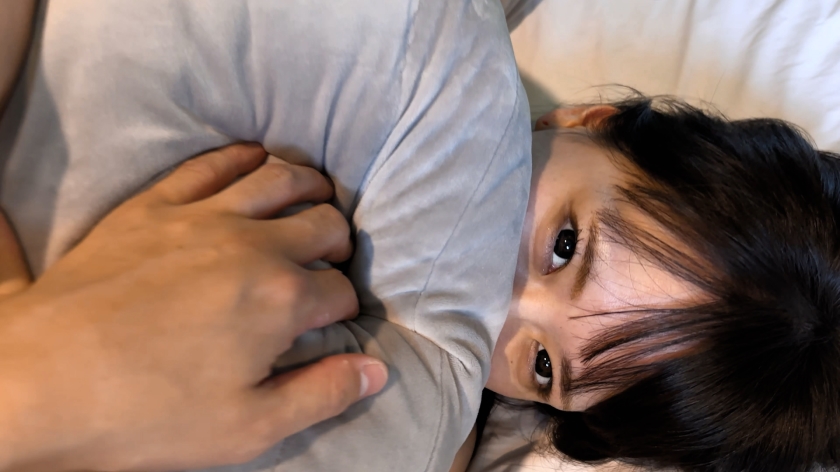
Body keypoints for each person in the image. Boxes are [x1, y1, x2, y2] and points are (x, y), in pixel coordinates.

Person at [459, 98, 840, 471]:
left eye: (543, 365)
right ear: (587, 121)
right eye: (565, 245)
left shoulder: (438, 426)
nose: (491, 307)